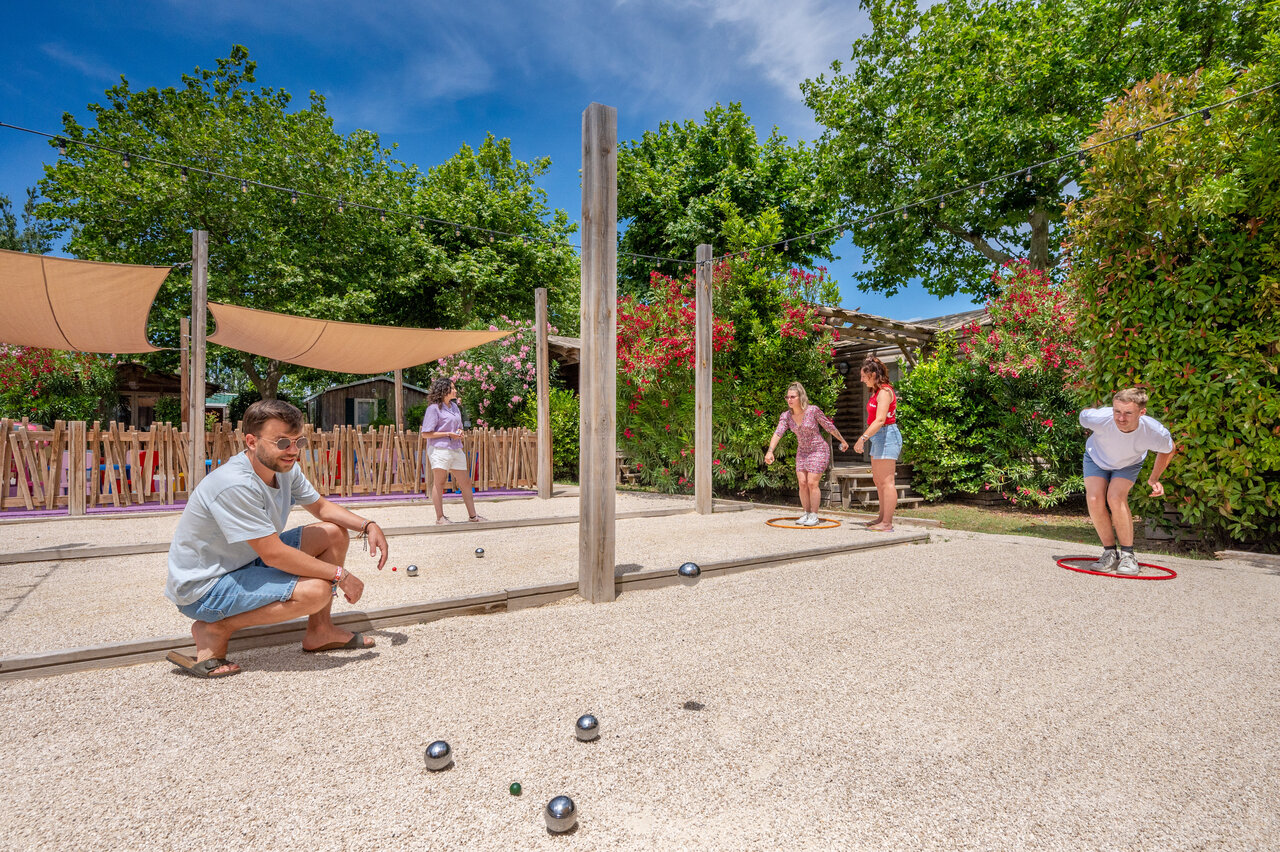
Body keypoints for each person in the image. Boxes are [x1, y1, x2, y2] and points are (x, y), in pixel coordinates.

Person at [164, 399, 390, 679]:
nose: (293, 451)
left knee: (332, 533)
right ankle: (215, 627)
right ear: (251, 441)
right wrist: (340, 575)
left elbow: (321, 508)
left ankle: (320, 631)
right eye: (283, 443)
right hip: (206, 587)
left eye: (299, 442)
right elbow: (274, 554)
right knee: (316, 591)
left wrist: (368, 525)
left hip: (243, 562)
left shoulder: (284, 469)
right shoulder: (236, 484)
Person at [1079, 387, 1176, 574]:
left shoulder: (1154, 431)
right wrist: (1093, 410)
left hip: (1128, 463)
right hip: (1096, 457)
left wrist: (1154, 478)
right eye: (1117, 411)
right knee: (1094, 499)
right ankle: (1109, 554)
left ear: (1142, 412)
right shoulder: (1099, 418)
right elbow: (1084, 415)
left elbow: (1169, 449)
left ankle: (1128, 556)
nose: (1121, 418)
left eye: (1128, 413)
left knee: (1115, 498)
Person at [765, 382, 849, 526]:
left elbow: (828, 426)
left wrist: (842, 440)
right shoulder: (786, 416)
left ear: (800, 397)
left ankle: (814, 515)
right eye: (787, 397)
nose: (789, 400)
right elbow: (778, 433)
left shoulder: (813, 410)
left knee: (812, 482)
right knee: (802, 483)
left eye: (793, 397)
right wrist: (770, 451)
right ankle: (806, 513)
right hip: (802, 451)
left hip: (819, 449)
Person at [421, 377, 486, 525]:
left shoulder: (454, 407)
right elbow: (426, 434)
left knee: (466, 482)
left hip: (456, 448)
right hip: (439, 449)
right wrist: (448, 434)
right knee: (440, 482)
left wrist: (459, 432)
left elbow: (458, 426)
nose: (455, 390)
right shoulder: (433, 409)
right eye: (453, 388)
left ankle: (473, 516)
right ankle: (440, 518)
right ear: (444, 390)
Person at [853, 357, 903, 532]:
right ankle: (882, 518)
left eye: (864, 376)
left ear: (873, 374)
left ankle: (887, 523)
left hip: (888, 436)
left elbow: (881, 419)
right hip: (879, 437)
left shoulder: (884, 392)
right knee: (879, 480)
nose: (862, 380)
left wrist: (862, 438)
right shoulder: (876, 392)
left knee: (887, 481)